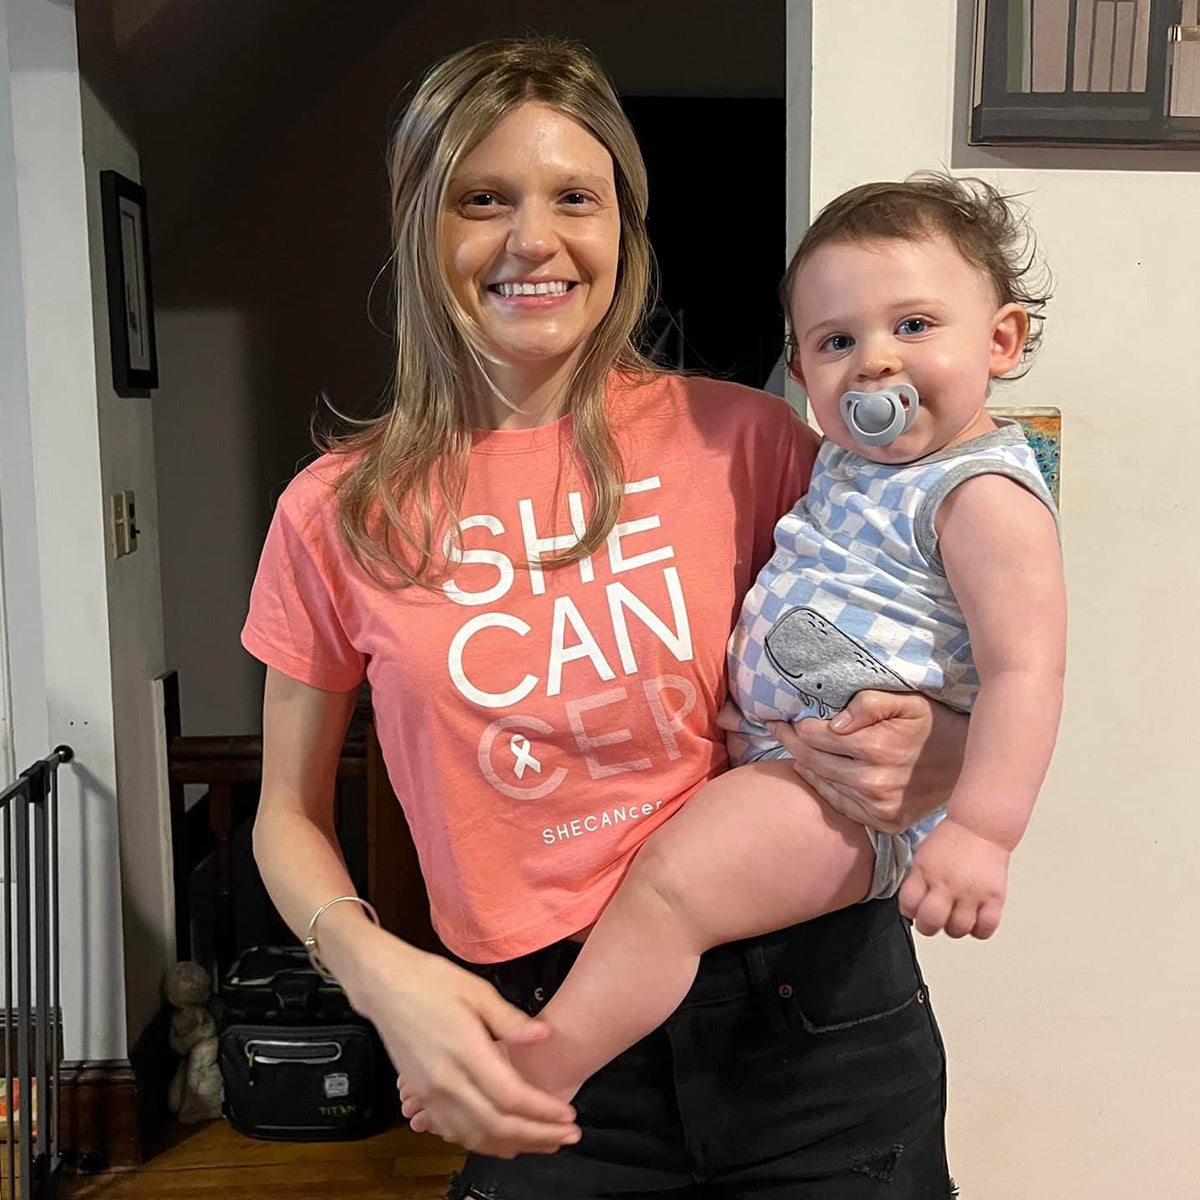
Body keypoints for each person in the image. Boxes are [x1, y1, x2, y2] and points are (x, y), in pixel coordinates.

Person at [244, 36, 967, 1197]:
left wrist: (945, 749)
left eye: (575, 197)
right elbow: (283, 814)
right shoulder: (336, 512)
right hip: (542, 1040)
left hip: (817, 1025)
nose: (534, 240)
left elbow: (937, 639)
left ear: (621, 226)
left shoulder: (758, 441)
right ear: (421, 224)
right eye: (484, 199)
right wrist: (374, 970)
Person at [447, 174, 1066, 1111]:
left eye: (913, 326)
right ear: (799, 367)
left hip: (853, 798)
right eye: (836, 341)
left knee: (668, 891)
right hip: (791, 766)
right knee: (665, 888)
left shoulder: (980, 495)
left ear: (1001, 340)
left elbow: (1030, 668)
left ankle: (542, 1070)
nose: (874, 365)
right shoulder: (850, 466)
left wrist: (981, 831)